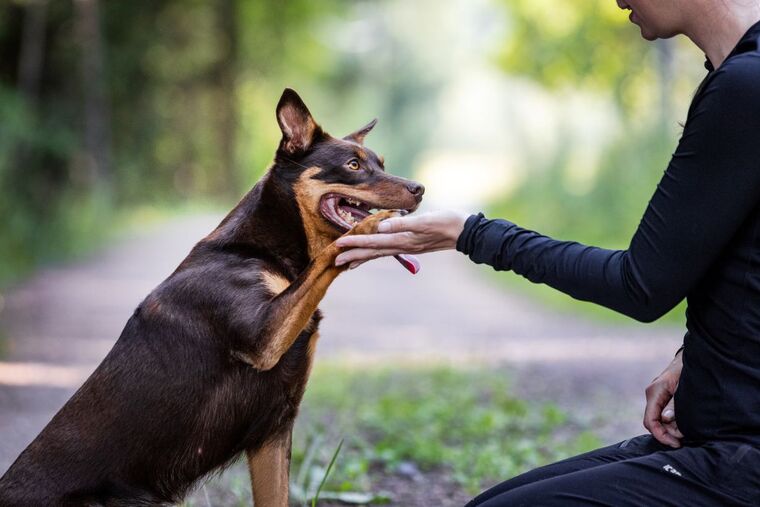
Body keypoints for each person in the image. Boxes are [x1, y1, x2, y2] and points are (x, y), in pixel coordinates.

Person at [334, 0, 760, 505]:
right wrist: (692, 356)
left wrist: (472, 234)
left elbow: (640, 286)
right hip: (714, 439)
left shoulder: (745, 88)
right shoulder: (738, 78)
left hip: (738, 462)